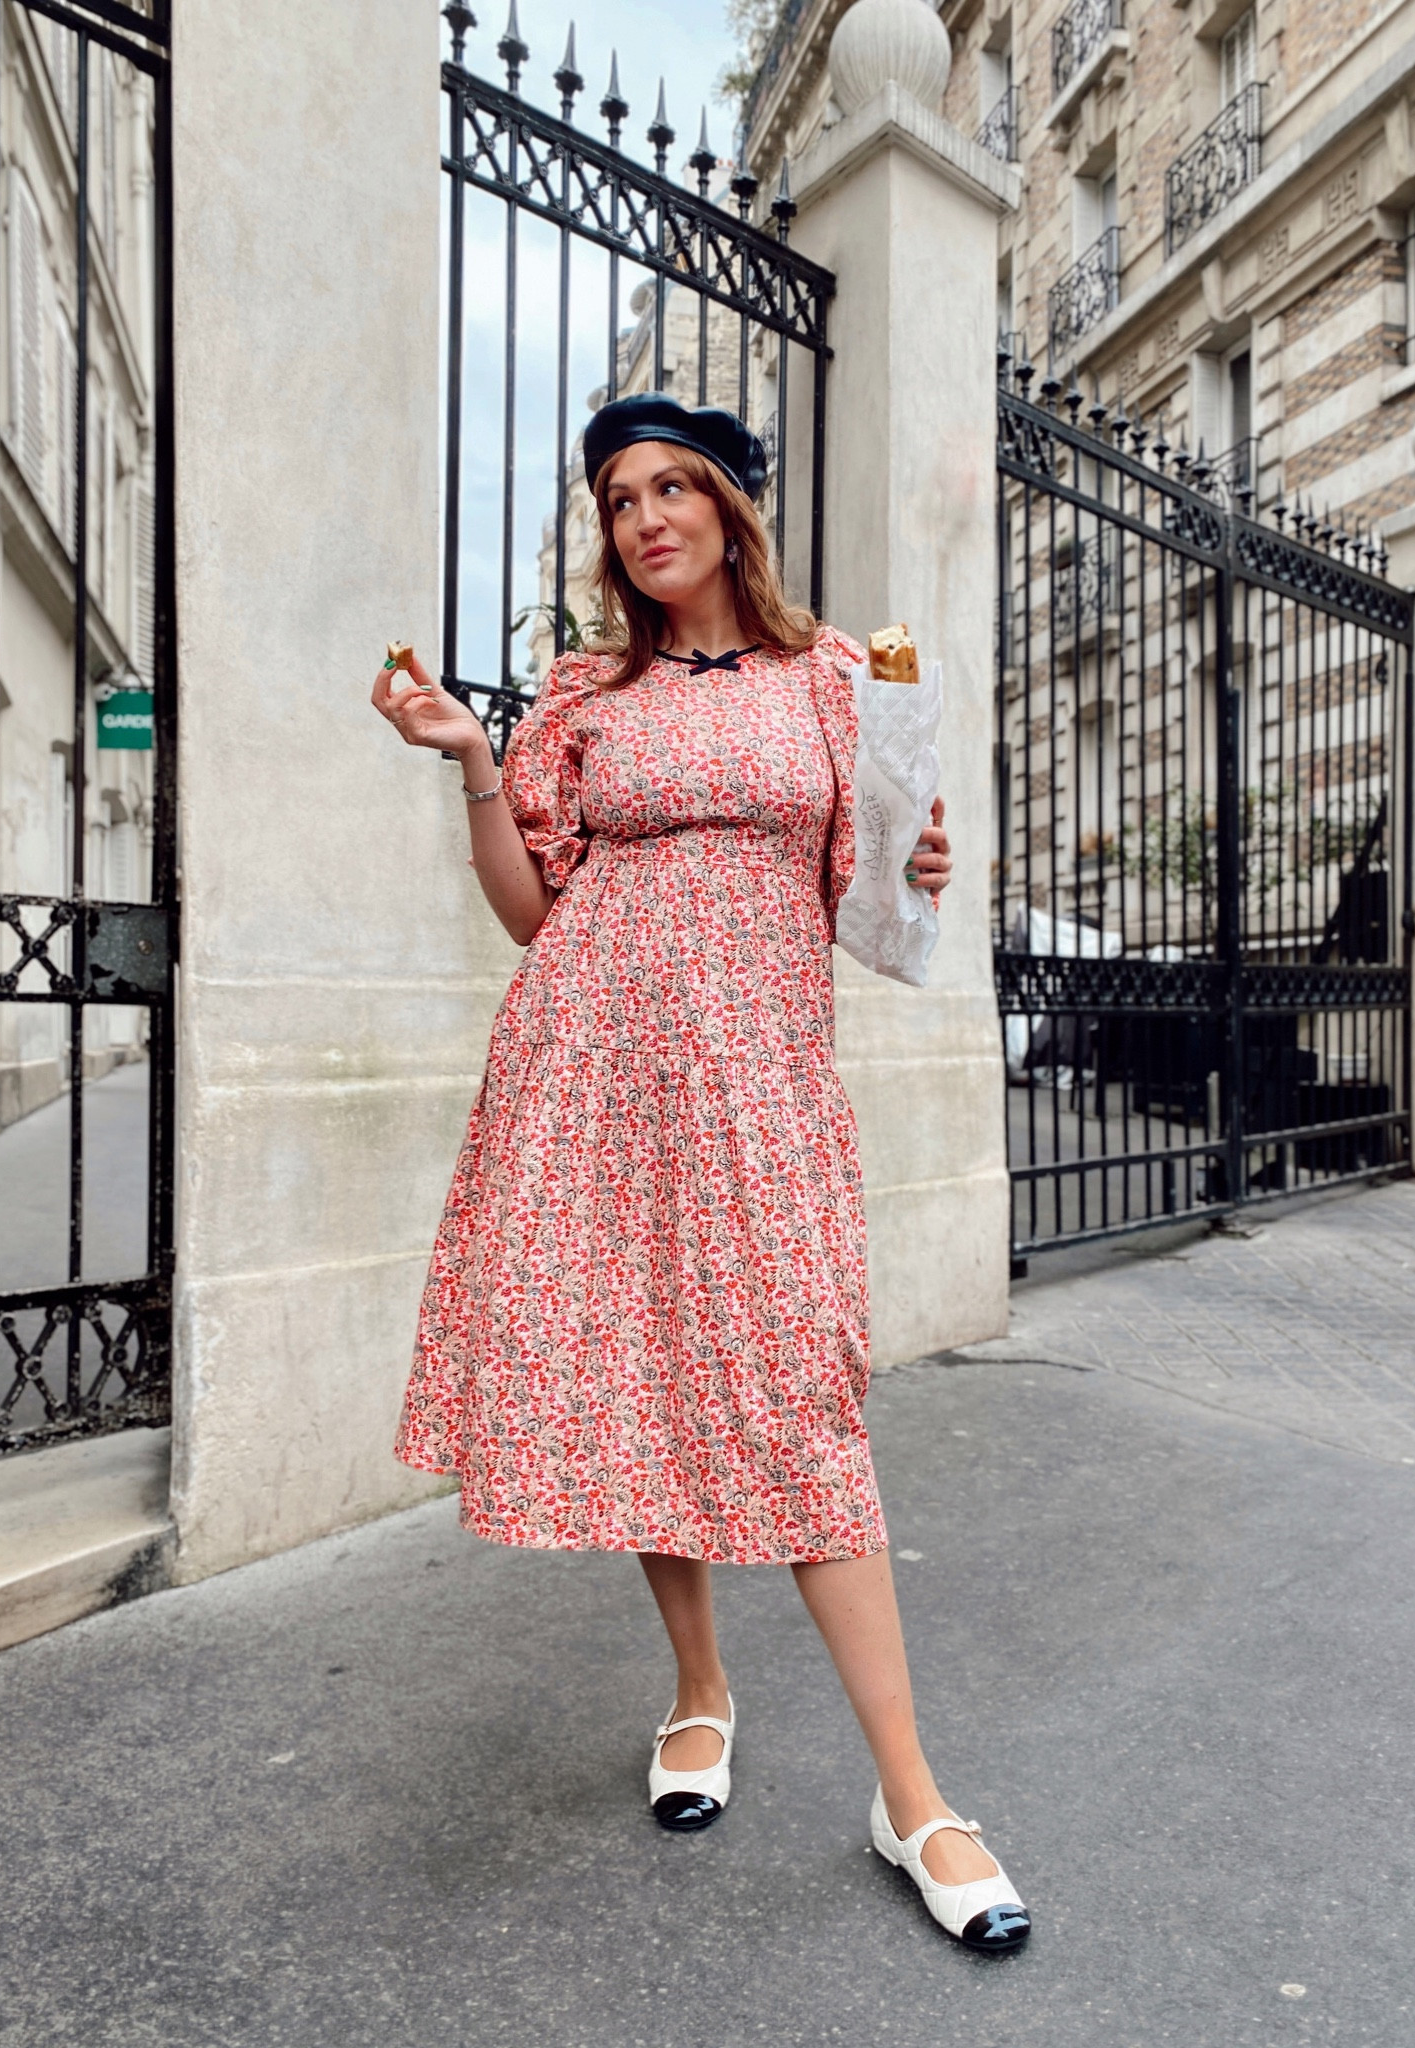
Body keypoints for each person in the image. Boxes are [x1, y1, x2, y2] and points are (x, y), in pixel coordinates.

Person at [372, 393, 1030, 1954]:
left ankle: (913, 1796)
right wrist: (473, 756)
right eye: (617, 498)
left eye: (674, 486)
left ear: (733, 507)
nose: (644, 516)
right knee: (639, 1382)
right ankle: (698, 1688)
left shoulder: (832, 680)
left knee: (799, 1396)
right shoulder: (583, 693)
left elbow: (877, 900)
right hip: (590, 1067)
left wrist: (919, 869)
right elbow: (538, 912)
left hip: (760, 1090)